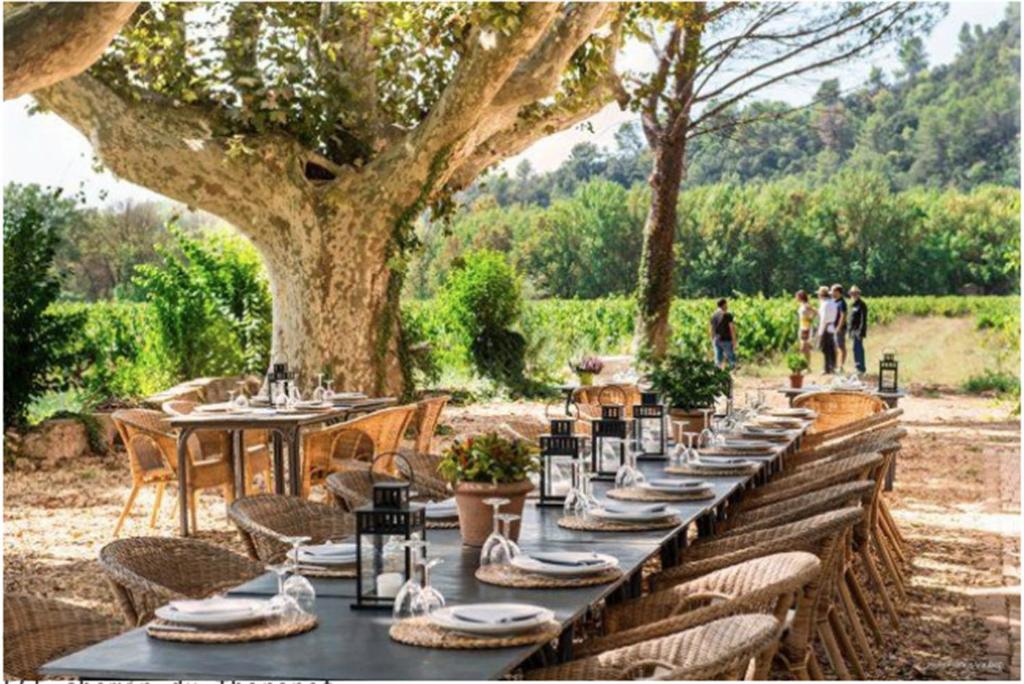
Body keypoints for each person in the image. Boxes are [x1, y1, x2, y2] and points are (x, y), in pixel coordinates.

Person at [709, 298, 737, 369]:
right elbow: (732, 328)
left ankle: (717, 372)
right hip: (726, 339)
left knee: (718, 358)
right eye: (726, 304)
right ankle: (733, 372)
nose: (727, 306)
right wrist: (734, 340)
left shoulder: (713, 315)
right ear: (724, 305)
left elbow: (711, 329)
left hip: (716, 339)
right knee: (731, 357)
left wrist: (712, 339)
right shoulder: (728, 315)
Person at [817, 286, 838, 374]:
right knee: (831, 349)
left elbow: (823, 319)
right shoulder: (833, 302)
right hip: (832, 327)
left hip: (826, 327)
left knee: (825, 349)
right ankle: (833, 366)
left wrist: (820, 332)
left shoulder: (824, 304)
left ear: (821, 295)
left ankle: (827, 368)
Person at [848, 286, 869, 374]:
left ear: (858, 294)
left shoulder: (862, 304)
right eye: (852, 293)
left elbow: (863, 319)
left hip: (858, 331)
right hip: (853, 331)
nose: (853, 295)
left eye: (855, 293)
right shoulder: (853, 304)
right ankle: (857, 366)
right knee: (855, 348)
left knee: (859, 348)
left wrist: (861, 331)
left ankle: (861, 368)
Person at [795, 290, 816, 365]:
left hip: (806, 327)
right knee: (804, 347)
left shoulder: (806, 305)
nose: (795, 298)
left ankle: (806, 365)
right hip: (802, 327)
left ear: (800, 297)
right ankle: (806, 365)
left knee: (804, 347)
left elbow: (815, 312)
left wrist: (810, 319)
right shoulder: (801, 305)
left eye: (796, 296)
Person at [831, 283, 848, 373]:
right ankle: (838, 366)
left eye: (833, 291)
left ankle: (841, 367)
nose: (831, 293)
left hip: (839, 328)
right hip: (835, 328)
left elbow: (843, 315)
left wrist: (838, 327)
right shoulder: (836, 302)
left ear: (838, 292)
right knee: (837, 347)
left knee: (841, 347)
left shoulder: (842, 302)